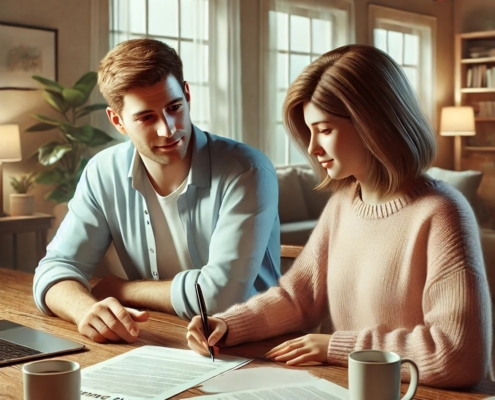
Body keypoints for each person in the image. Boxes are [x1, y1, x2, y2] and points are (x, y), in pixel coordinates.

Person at [186, 44, 493, 388]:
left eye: (325, 129)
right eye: (309, 130)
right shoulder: (344, 203)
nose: (313, 148)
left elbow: (458, 356)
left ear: (373, 122)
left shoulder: (441, 213)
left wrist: (340, 347)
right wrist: (227, 325)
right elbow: (297, 298)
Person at [33, 39, 281, 344]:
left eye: (174, 107)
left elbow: (219, 298)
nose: (169, 129)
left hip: (254, 345)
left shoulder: (248, 171)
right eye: (146, 117)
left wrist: (123, 289)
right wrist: (86, 310)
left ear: (187, 95)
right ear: (117, 121)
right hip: (156, 336)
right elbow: (56, 268)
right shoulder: (103, 172)